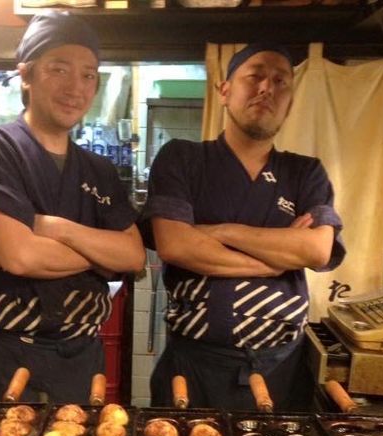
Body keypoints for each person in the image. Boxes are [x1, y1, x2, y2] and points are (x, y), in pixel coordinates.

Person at [143, 42, 346, 411]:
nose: (267, 88)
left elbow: (316, 250)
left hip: (281, 368)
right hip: (194, 365)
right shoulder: (183, 158)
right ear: (224, 91)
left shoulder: (305, 172)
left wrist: (221, 232)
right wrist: (276, 259)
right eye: (255, 76)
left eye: (280, 82)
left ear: (290, 103)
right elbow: (175, 245)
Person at [0, 11, 145, 404]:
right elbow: (22, 257)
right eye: (59, 69)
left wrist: (53, 228)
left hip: (83, 355)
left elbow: (133, 256)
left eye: (88, 75)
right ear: (26, 74)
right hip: (9, 352)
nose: (75, 87)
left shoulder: (99, 170)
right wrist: (100, 257)